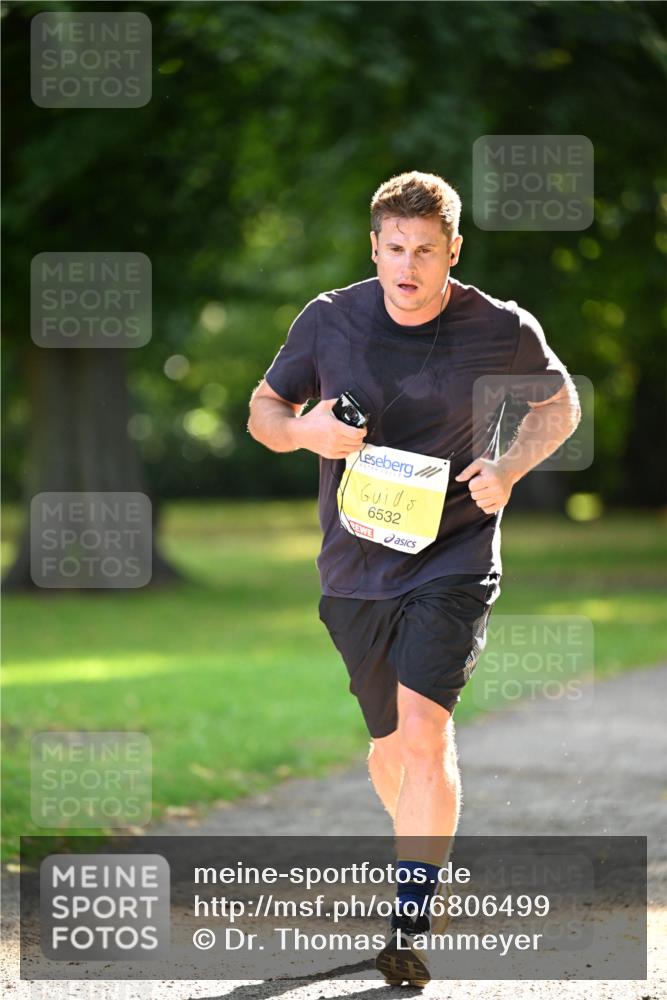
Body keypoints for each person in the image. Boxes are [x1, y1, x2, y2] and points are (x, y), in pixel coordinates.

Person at [247, 170, 581, 985]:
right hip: (355, 567)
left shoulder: (499, 327)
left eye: (425, 251)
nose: (408, 265)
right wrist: (303, 431)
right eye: (394, 248)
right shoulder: (328, 319)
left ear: (452, 251)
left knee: (425, 733)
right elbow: (263, 411)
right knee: (391, 747)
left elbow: (559, 404)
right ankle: (421, 856)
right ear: (374, 247)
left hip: (453, 556)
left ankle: (407, 918)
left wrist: (507, 468)